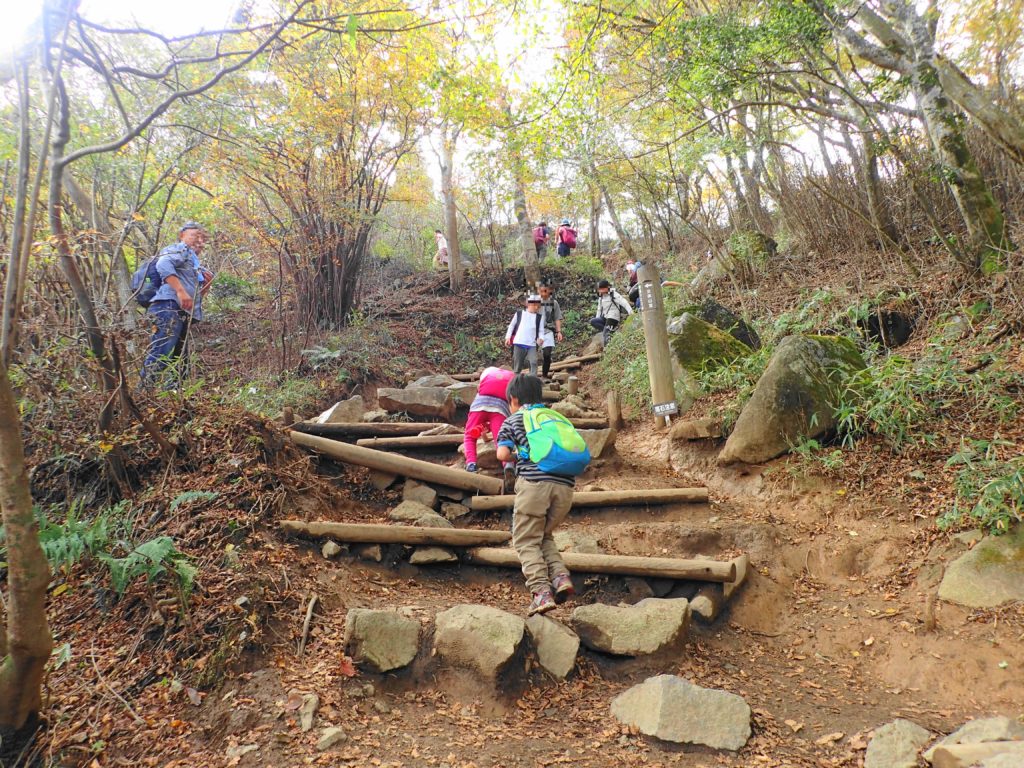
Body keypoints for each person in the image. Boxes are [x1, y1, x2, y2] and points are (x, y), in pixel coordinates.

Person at [496, 374, 577, 615]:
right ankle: (561, 578)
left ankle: (541, 592)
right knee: (543, 535)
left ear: (513, 399)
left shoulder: (513, 420)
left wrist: (519, 456)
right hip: (565, 487)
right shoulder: (554, 417)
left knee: (524, 539)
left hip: (534, 485)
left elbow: (502, 454)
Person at [142, 222, 212, 388]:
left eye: (202, 237)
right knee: (162, 349)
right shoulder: (179, 250)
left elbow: (194, 295)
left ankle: (173, 395)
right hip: (168, 306)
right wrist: (180, 291)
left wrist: (205, 286)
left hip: (183, 312)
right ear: (182, 236)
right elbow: (162, 264)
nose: (199, 240)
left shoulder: (194, 263)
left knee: (180, 356)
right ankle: (143, 392)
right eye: (195, 235)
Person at [463, 366, 515, 473]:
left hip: (479, 405)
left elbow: (479, 388)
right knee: (501, 438)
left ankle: (471, 463)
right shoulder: (512, 377)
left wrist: (484, 436)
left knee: (470, 436)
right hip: (500, 408)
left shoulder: (489, 371)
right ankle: (508, 465)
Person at [505, 294, 545, 376]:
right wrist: (508, 337)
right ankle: (516, 383)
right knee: (517, 366)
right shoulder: (519, 314)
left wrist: (541, 338)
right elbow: (512, 325)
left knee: (533, 362)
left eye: (538, 306)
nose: (537, 307)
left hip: (532, 344)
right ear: (529, 304)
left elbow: (541, 330)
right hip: (519, 343)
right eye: (535, 305)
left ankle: (533, 381)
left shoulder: (539, 317)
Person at [591, 279, 633, 346]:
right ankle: (610, 330)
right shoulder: (601, 297)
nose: (599, 290)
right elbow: (599, 309)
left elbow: (624, 302)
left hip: (613, 317)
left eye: (601, 288)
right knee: (593, 321)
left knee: (606, 334)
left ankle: (607, 348)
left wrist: (631, 313)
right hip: (605, 317)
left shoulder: (613, 294)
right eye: (599, 289)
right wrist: (598, 318)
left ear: (606, 287)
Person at [537, 280, 564, 380]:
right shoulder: (534, 301)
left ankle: (544, 375)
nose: (543, 293)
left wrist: (559, 331)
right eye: (541, 291)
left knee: (547, 354)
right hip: (535, 331)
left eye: (545, 291)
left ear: (550, 291)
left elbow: (557, 318)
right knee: (530, 355)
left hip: (548, 330)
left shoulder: (554, 303)